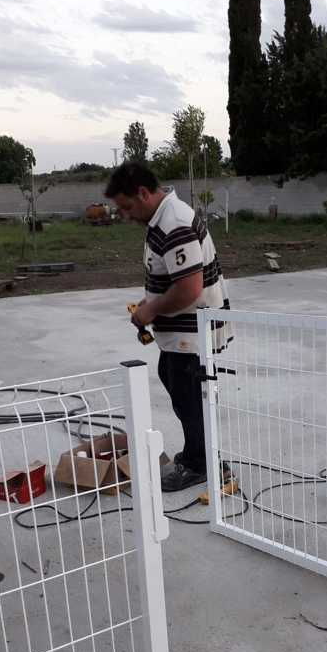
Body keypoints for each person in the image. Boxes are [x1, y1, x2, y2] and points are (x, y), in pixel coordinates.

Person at [105, 162, 231, 492]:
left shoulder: (174, 223)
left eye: (126, 207)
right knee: (184, 393)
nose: (125, 215)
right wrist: (153, 307)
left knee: (190, 397)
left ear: (143, 193)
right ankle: (203, 456)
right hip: (181, 334)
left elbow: (189, 289)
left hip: (193, 332)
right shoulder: (162, 217)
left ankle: (199, 464)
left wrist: (150, 310)